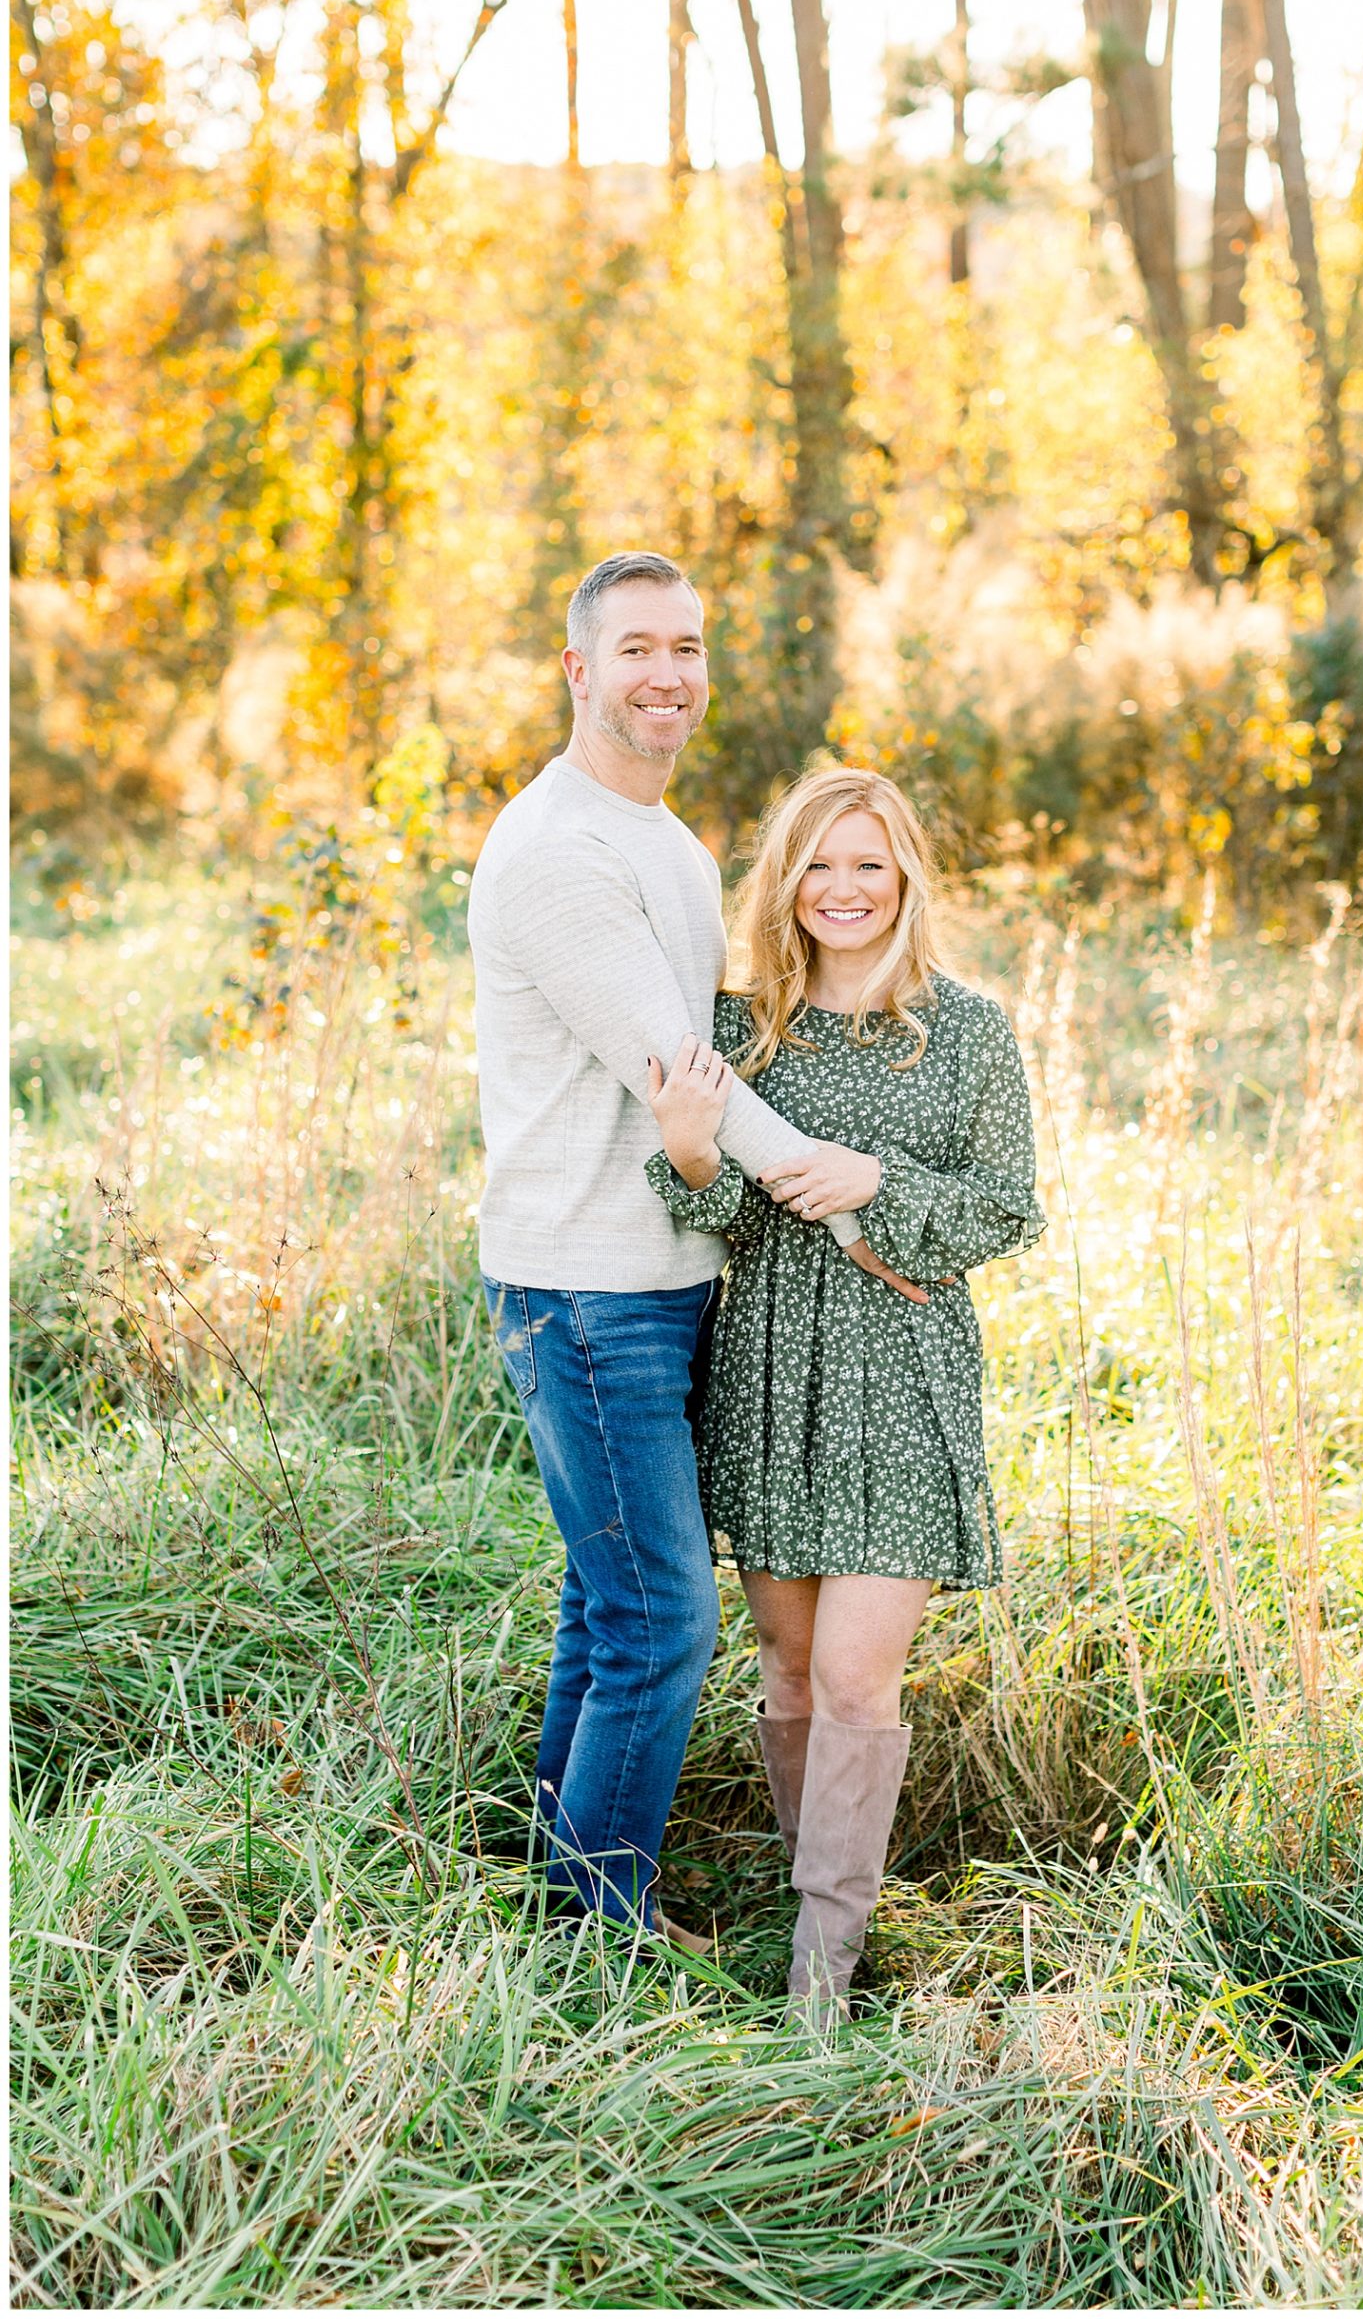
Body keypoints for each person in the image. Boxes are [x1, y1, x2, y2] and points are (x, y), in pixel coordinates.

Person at [468, 552, 925, 1945]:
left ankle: (552, 1886)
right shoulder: (555, 851)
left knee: (603, 1607)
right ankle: (595, 1935)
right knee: (663, 1622)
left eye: (688, 647)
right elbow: (687, 1074)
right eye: (637, 650)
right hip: (586, 1286)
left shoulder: (670, 845)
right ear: (578, 672)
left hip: (666, 1279)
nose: (667, 674)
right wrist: (858, 1201)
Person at [643, 765, 1044, 2009]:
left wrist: (875, 1182)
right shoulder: (739, 1023)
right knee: (792, 1663)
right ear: (785, 879)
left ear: (909, 874)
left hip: (904, 1374)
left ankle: (826, 1973)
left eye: (868, 862)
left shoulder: (967, 1029)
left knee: (865, 1675)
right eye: (818, 863)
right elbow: (707, 1210)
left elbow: (1009, 1207)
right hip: (770, 1360)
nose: (843, 889)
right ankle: (806, 1895)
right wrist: (695, 1150)